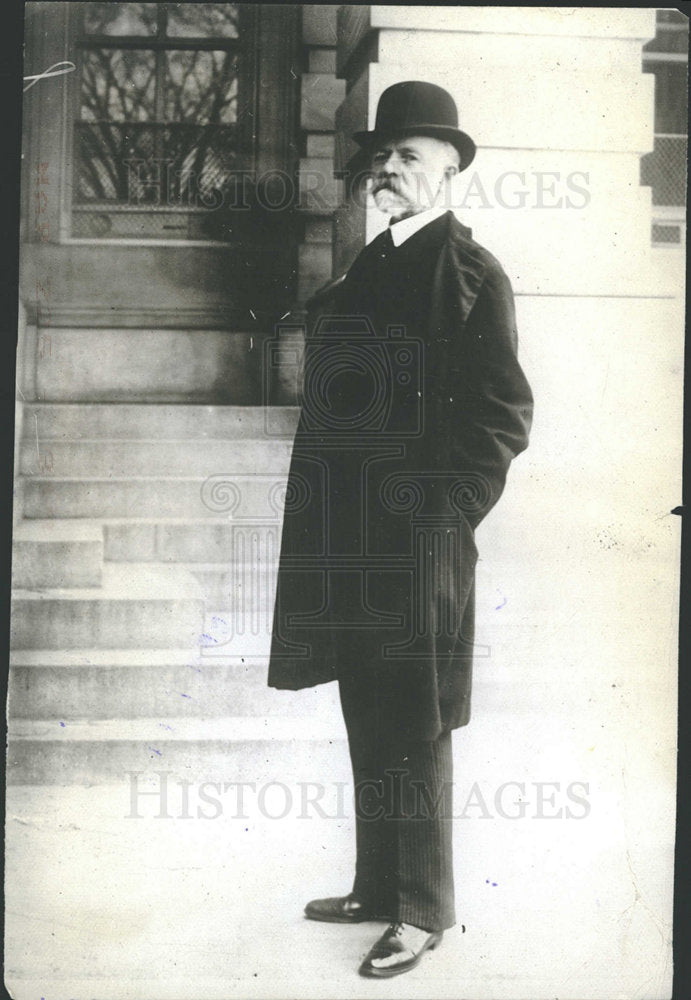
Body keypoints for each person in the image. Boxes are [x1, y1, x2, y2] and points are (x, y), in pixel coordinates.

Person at [268, 80, 533, 978]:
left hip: (416, 541)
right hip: (349, 530)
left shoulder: (468, 272)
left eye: (410, 158)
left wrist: (441, 510)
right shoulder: (366, 265)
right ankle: (376, 887)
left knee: (414, 722)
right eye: (382, 157)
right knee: (366, 707)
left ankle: (422, 912)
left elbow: (502, 415)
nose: (389, 170)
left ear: (451, 174)